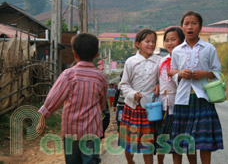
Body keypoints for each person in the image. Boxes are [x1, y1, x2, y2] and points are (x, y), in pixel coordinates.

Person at [36, 33, 108, 164]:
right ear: (96, 54)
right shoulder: (100, 77)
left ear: (74, 54)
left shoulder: (68, 75)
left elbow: (54, 98)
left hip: (70, 131)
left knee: (72, 161)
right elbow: (102, 104)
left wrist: (44, 116)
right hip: (92, 131)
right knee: (91, 161)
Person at [171, 11, 223, 164]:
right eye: (186, 23)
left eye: (194, 23)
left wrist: (205, 73)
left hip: (203, 98)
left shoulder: (209, 49)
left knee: (204, 141)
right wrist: (180, 74)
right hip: (183, 99)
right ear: (182, 27)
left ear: (200, 27)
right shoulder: (177, 51)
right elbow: (173, 73)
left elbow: (217, 72)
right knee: (186, 140)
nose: (190, 27)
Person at [119, 29, 161, 164]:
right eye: (147, 41)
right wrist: (132, 94)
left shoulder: (159, 61)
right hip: (132, 107)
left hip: (149, 109)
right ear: (138, 44)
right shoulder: (130, 62)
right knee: (128, 142)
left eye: (153, 42)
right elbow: (124, 84)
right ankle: (130, 161)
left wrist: (159, 85)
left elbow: (164, 79)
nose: (151, 44)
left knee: (147, 144)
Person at [155, 27, 185, 164]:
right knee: (161, 140)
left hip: (177, 106)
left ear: (182, 41)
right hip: (161, 107)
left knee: (176, 142)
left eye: (173, 39)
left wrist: (176, 73)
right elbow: (157, 79)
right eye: (166, 40)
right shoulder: (161, 61)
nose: (169, 43)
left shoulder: (183, 60)